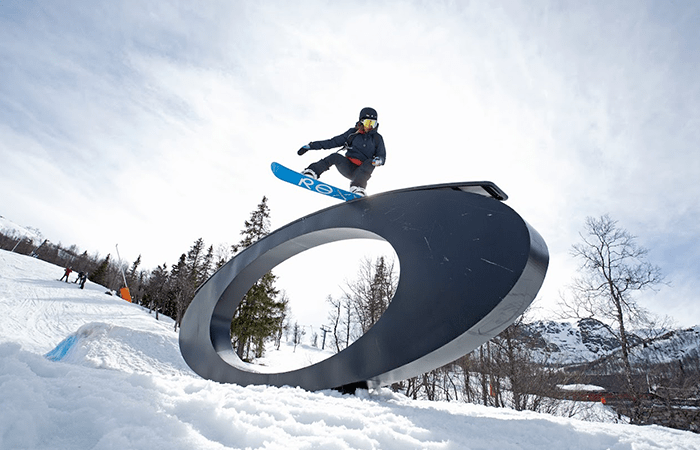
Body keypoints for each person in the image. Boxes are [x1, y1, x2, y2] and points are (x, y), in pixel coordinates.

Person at [297, 107, 386, 197]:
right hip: (347, 166)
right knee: (335, 156)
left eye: (373, 124)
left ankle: (358, 188)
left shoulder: (377, 138)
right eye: (368, 123)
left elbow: (382, 155)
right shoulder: (352, 133)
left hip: (362, 171)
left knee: (370, 162)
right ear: (361, 122)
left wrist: (379, 160)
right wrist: (311, 146)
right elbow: (332, 142)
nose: (370, 127)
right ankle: (312, 172)